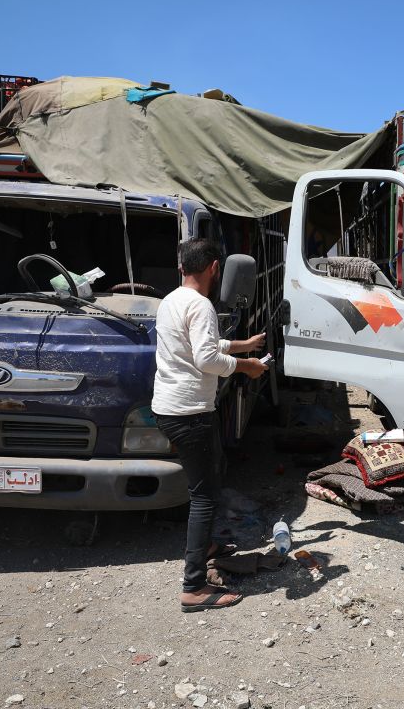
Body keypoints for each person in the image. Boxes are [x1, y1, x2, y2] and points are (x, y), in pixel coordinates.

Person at [152, 239, 267, 612]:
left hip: (169, 409)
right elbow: (205, 358)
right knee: (204, 495)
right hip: (190, 412)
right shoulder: (201, 305)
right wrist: (246, 366)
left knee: (209, 473)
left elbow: (201, 343)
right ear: (214, 268)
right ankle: (194, 587)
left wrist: (241, 345)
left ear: (182, 265)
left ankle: (206, 546)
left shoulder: (171, 300)